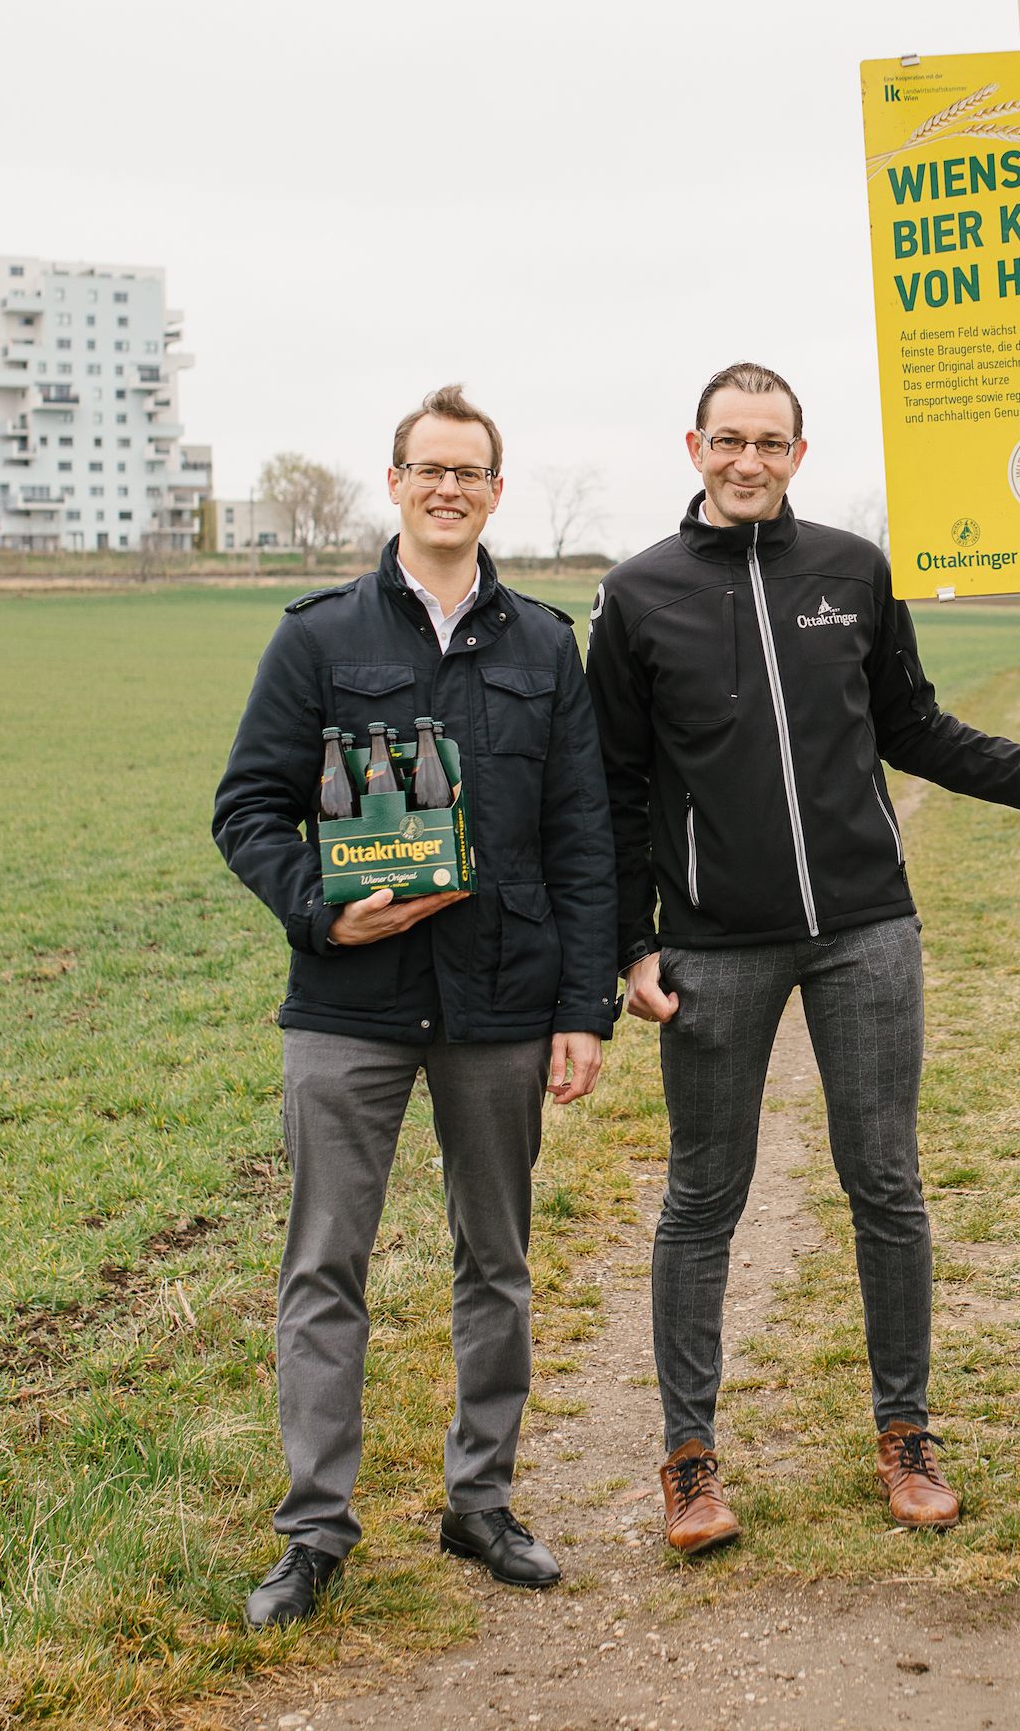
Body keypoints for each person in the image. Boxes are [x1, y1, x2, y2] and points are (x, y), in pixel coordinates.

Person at [586, 361, 1020, 1553]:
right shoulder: (637, 597)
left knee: (885, 1183)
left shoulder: (852, 571)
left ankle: (905, 1433)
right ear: (693, 447)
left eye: (771, 442)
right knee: (700, 1199)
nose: (748, 461)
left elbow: (910, 724)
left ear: (798, 452)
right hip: (714, 946)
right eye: (728, 440)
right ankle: (688, 1456)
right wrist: (631, 943)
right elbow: (614, 789)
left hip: (865, 931)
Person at [214, 384, 617, 1626]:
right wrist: (325, 911)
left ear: (495, 490)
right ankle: (313, 1529)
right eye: (427, 468)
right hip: (347, 1005)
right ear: (393, 482)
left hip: (500, 1006)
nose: (449, 488)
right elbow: (247, 810)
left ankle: (480, 1502)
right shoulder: (320, 640)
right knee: (323, 1265)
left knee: (493, 1263)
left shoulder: (546, 647)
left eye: (470, 471)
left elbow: (582, 837)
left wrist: (581, 1008)